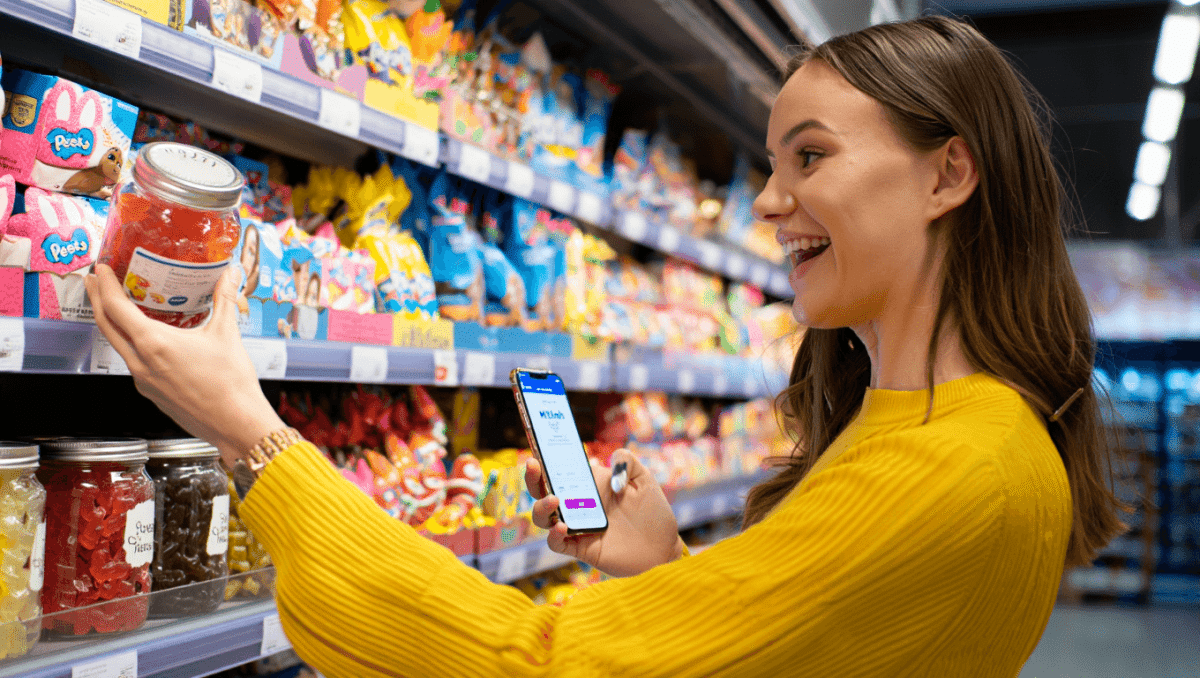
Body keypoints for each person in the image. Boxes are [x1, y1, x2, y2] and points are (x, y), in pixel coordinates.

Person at [85, 16, 1126, 677]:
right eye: (771, 162)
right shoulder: (936, 426)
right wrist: (672, 571)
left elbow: (534, 666)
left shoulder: (955, 467)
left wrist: (252, 434)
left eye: (811, 155)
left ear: (949, 176)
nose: (768, 201)